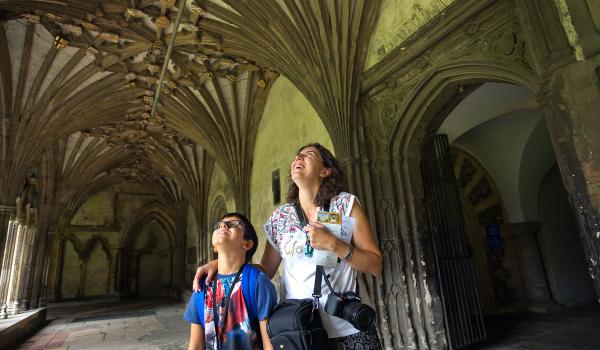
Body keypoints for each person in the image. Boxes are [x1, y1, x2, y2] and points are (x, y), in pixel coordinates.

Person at [194, 143, 383, 349]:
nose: (298, 159)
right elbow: (265, 270)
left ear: (325, 170)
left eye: (308, 155)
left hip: (347, 326)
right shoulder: (280, 218)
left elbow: (375, 265)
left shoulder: (345, 205)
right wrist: (222, 265)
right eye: (296, 156)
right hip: (299, 331)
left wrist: (335, 245)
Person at [184, 213, 276, 350]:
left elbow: (269, 342)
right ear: (214, 247)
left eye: (233, 224)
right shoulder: (202, 285)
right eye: (219, 224)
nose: (223, 225)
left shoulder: (256, 281)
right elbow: (196, 345)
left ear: (247, 244)